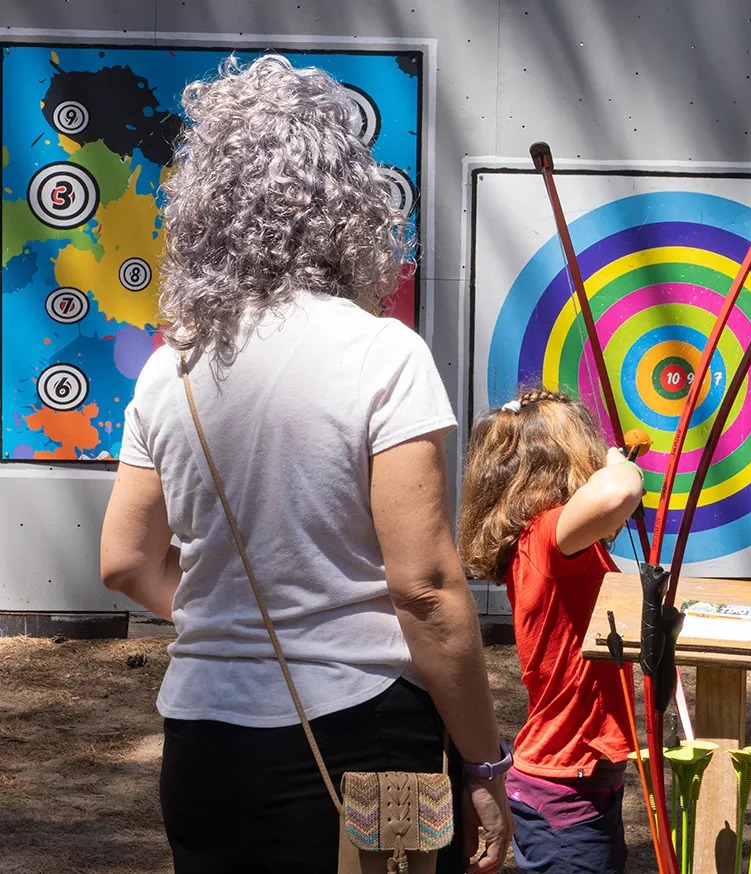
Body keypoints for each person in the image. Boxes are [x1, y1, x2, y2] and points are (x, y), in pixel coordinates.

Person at [99, 55, 511, 874]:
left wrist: (230, 627)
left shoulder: (170, 366)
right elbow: (424, 587)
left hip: (202, 740)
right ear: (350, 204)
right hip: (373, 729)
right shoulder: (383, 354)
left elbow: (122, 562)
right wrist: (485, 763)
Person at [456, 390, 644, 874]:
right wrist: (618, 463)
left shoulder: (554, 542)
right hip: (565, 789)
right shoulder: (546, 537)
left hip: (577, 781)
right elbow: (618, 493)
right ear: (565, 461)